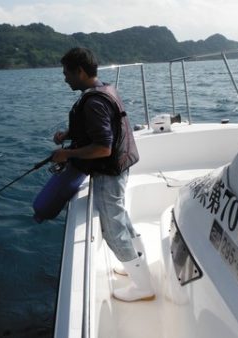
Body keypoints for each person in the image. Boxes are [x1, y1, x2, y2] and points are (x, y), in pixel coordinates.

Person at [51, 47, 155, 302]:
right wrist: (69, 134)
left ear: (80, 71)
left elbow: (103, 148)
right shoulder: (104, 90)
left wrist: (67, 155)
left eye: (67, 73)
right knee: (121, 216)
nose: (65, 78)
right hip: (121, 165)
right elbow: (101, 128)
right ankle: (137, 261)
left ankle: (143, 287)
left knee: (112, 229)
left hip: (109, 172)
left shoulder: (94, 102)